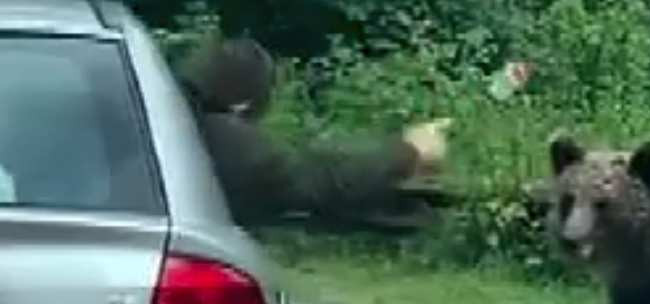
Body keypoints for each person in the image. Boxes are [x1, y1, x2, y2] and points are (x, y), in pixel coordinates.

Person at [175, 36, 453, 230]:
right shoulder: (212, 138)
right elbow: (315, 178)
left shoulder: (169, 117)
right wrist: (410, 151)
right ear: (243, 104)